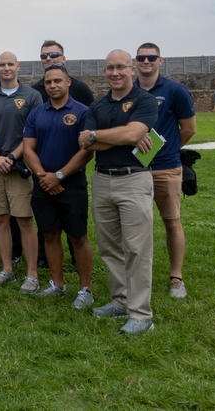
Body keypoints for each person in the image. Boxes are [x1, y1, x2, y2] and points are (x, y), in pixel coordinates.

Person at [78, 50, 158, 336]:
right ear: (104, 72)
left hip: (133, 180)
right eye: (110, 68)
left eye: (121, 67)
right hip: (101, 180)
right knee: (110, 247)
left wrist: (99, 135)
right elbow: (84, 144)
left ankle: (141, 314)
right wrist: (121, 135)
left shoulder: (144, 100)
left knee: (136, 248)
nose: (115, 73)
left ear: (132, 70)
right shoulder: (97, 105)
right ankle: (120, 301)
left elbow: (131, 135)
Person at [22, 63, 95, 307]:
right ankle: (57, 284)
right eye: (48, 82)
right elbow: (28, 148)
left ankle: (85, 290)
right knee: (50, 235)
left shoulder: (83, 112)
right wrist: (44, 176)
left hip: (71, 185)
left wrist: (60, 175)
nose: (52, 86)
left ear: (68, 82)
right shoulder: (37, 113)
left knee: (78, 236)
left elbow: (87, 152)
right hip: (43, 184)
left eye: (57, 81)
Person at [0, 51, 43, 292]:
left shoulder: (33, 96)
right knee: (0, 219)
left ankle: (32, 275)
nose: (5, 68)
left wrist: (12, 157)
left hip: (20, 167)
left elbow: (33, 134)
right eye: (1, 64)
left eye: (10, 64)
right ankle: (7, 269)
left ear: (18, 67)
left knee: (24, 220)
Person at [133, 43, 197, 299]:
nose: (146, 61)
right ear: (135, 61)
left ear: (160, 60)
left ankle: (176, 277)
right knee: (136, 224)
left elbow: (189, 128)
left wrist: (167, 149)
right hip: (135, 167)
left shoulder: (174, 90)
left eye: (151, 57)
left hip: (165, 167)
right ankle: (138, 275)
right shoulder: (130, 89)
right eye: (141, 57)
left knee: (171, 221)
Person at [31, 40, 94, 106]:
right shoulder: (35, 91)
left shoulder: (81, 89)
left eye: (53, 55)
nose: (48, 58)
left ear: (63, 59)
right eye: (44, 56)